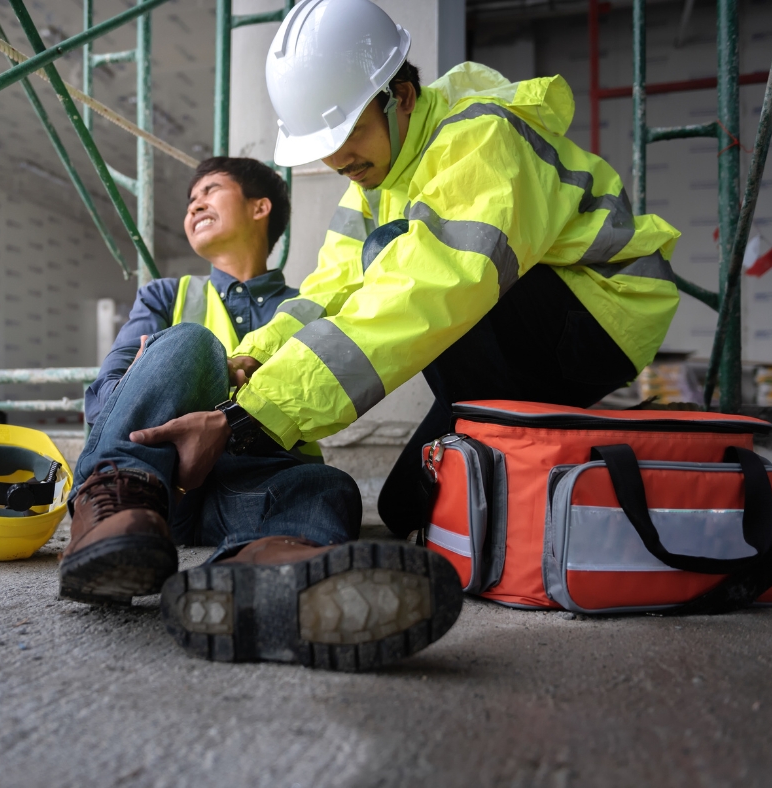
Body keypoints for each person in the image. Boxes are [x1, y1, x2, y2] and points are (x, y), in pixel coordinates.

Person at [215, 0, 683, 539]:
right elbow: (329, 289)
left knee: (393, 253)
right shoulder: (372, 182)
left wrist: (269, 411)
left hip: (598, 317)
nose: (340, 160)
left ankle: (550, 440)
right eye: (325, 147)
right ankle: (553, 449)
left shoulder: (480, 138)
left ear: (403, 97)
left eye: (351, 134)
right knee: (406, 510)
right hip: (526, 330)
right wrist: (256, 358)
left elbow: (433, 288)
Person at [60, 155, 464, 672]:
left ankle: (264, 571)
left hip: (250, 490)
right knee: (192, 345)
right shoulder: (167, 295)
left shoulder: (307, 308)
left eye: (210, 189)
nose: (195, 203)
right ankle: (110, 517)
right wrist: (204, 371)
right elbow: (103, 398)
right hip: (157, 487)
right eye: (190, 200)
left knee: (325, 484)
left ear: (261, 207)